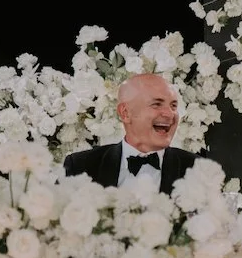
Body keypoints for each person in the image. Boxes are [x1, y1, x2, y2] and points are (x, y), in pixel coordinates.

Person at [63, 73, 197, 192]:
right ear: (125, 113)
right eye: (156, 104)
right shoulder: (80, 167)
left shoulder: (198, 170)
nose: (169, 114)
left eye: (173, 106)